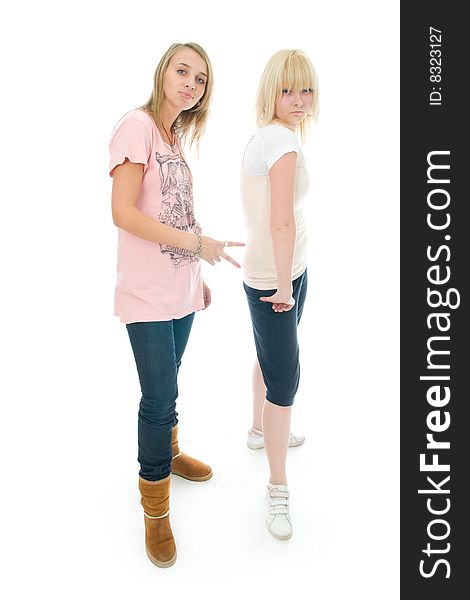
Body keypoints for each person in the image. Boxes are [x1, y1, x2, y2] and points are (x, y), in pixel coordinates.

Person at [109, 42, 243, 568]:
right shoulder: (136, 126)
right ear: (163, 71)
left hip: (181, 291)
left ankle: (170, 451)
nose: (191, 83)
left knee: (171, 383)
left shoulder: (173, 138)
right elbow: (122, 213)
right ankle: (156, 510)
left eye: (201, 79)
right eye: (183, 71)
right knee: (157, 395)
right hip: (145, 295)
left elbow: (177, 213)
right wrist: (194, 247)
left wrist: (195, 274)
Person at [241, 49, 319, 540]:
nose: (298, 99)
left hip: (279, 272)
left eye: (305, 89)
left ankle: (258, 432)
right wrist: (286, 285)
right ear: (271, 90)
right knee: (284, 383)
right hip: (278, 280)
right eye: (287, 89)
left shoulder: (264, 137)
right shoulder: (281, 142)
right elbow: (280, 219)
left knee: (269, 361)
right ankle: (277, 488)